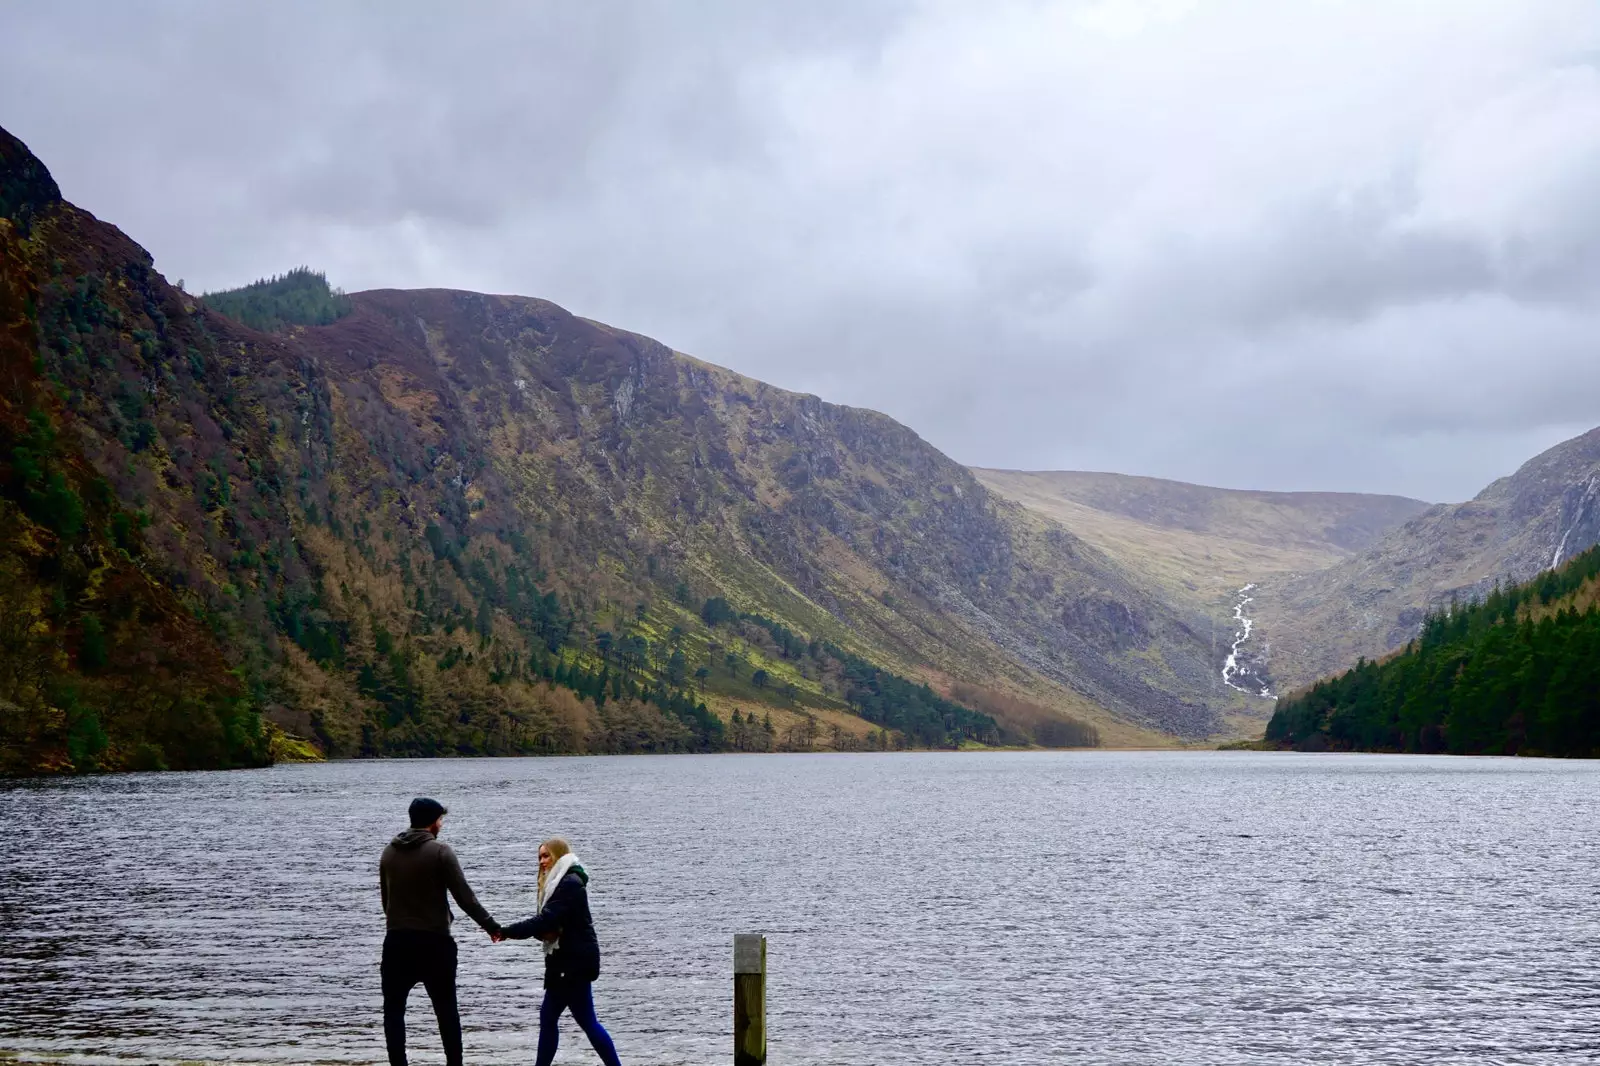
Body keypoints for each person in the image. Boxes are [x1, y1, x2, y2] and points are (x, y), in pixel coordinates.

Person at [379, 797, 502, 1066]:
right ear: (433, 822)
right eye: (440, 820)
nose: (441, 825)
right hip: (435, 943)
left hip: (397, 942)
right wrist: (492, 927)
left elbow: (386, 901)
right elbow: (465, 897)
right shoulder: (440, 852)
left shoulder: (388, 852)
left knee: (394, 1010)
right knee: (446, 1010)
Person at [498, 838, 623, 1066]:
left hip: (572, 962)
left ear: (559, 855)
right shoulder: (559, 883)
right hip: (568, 960)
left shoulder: (568, 884)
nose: (543, 862)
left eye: (547, 856)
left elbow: (546, 920)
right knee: (566, 1019)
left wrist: (506, 931)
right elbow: (548, 926)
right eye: (540, 857)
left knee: (571, 1020)